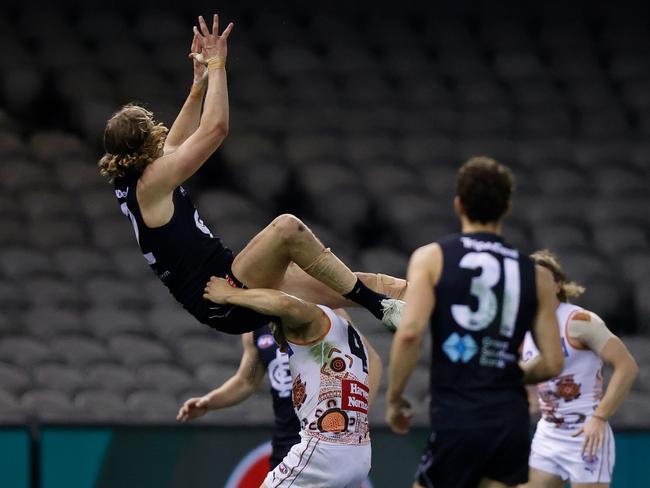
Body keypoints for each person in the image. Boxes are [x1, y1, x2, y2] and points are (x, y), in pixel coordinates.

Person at [97, 14, 405, 335]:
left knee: (374, 283)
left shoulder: (136, 178)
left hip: (232, 278)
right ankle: (380, 307)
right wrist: (218, 67)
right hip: (223, 299)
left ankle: (415, 302)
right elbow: (215, 129)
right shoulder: (152, 183)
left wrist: (198, 85)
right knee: (287, 228)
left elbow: (175, 143)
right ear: (147, 142)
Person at [386, 157, 565, 488]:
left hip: (459, 414)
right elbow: (554, 361)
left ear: (458, 204)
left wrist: (395, 398)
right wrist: (512, 374)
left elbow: (410, 334)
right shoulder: (536, 275)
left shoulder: (431, 257)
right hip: (509, 420)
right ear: (507, 208)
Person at [201, 277, 379, 488]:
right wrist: (209, 402)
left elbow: (287, 304)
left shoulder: (316, 311)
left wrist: (230, 295)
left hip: (321, 444)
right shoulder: (259, 328)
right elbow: (246, 380)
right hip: (336, 448)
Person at [520, 250, 638, 488]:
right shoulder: (524, 325)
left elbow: (627, 367)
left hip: (586, 436)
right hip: (549, 434)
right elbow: (531, 382)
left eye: (541, 278)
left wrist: (599, 417)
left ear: (558, 285)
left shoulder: (580, 321)